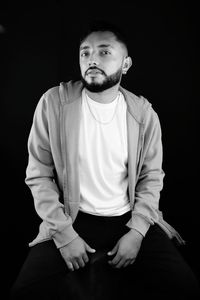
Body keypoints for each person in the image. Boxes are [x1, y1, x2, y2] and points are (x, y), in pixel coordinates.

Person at [10, 20, 199, 300]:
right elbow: (38, 174)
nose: (91, 59)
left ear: (125, 64)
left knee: (186, 287)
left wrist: (136, 232)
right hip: (72, 218)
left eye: (104, 52)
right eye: (85, 53)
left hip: (128, 218)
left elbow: (152, 177)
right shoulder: (54, 103)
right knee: (24, 292)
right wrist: (65, 236)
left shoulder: (144, 114)